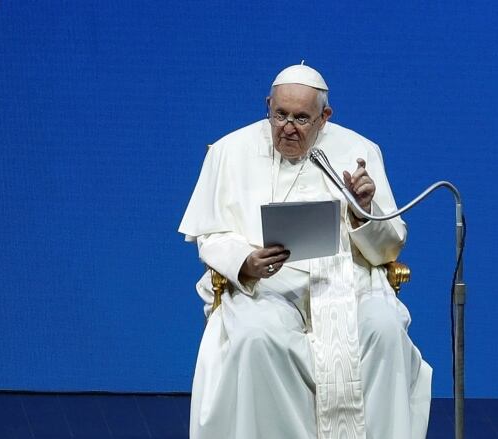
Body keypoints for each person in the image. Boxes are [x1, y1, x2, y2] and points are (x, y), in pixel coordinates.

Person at [178, 64, 432, 439]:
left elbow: (389, 247)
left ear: (324, 117)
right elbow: (210, 235)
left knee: (385, 328)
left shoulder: (359, 150)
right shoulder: (230, 151)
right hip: (265, 289)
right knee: (254, 336)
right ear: (268, 106)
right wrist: (244, 262)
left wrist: (365, 211)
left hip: (349, 282)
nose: (288, 127)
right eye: (279, 115)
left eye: (301, 118)